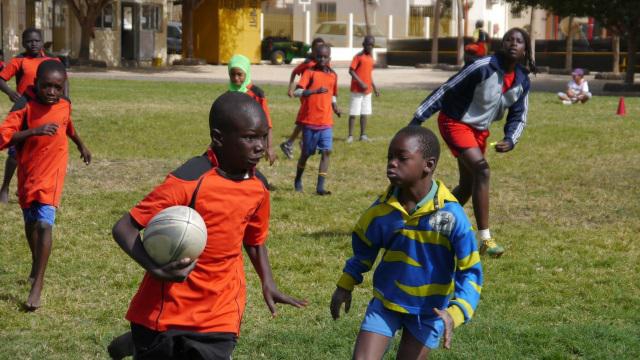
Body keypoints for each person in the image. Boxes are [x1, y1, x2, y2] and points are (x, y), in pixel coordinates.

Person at [110, 92, 307, 359]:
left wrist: (267, 282)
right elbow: (125, 228)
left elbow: (254, 239)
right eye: (249, 137)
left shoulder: (258, 187)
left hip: (220, 312)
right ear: (219, 138)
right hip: (166, 311)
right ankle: (136, 342)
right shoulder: (188, 181)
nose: (260, 146)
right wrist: (156, 268)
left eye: (262, 137)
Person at [330, 126, 483, 359]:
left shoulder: (451, 216)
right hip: (386, 302)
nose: (392, 163)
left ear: (428, 165)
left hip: (430, 311)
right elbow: (363, 250)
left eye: (401, 158)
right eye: (389, 157)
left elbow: (470, 270)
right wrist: (345, 284)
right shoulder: (381, 211)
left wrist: (456, 312)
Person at [409, 27, 536, 258]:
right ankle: (485, 239)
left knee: (468, 184)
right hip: (455, 121)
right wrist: (418, 119)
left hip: (479, 131)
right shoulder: (482, 66)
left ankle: (431, 222)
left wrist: (511, 139)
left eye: (519, 41)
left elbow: (519, 114)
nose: (513, 44)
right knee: (483, 171)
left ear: (526, 49)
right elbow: (447, 88)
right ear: (502, 44)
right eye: (508, 39)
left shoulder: (522, 80)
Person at [0, 60, 91, 311]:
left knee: (44, 223)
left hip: (53, 172)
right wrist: (33, 131)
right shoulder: (24, 105)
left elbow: (67, 124)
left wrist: (80, 144)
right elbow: (4, 137)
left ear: (64, 87)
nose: (52, 92)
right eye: (46, 86)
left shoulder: (64, 104)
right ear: (35, 84)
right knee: (30, 224)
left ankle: (37, 285)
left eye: (57, 87)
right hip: (29, 172)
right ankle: (35, 261)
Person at [0, 28, 66, 204]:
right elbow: (1, 78)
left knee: (39, 152)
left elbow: (64, 81)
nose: (33, 44)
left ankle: (31, 187)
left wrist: (66, 100)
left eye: (37, 41)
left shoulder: (53, 60)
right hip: (25, 111)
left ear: (42, 41)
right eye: (29, 41)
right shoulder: (19, 60)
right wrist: (11, 93)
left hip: (46, 110)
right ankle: (5, 187)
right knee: (15, 153)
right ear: (23, 43)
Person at [292, 44, 341, 195]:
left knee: (327, 151)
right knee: (306, 153)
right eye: (319, 56)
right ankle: (298, 179)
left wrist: (335, 107)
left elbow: (332, 94)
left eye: (325, 57)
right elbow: (297, 92)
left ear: (329, 58)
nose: (322, 59)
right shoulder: (309, 72)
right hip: (310, 121)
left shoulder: (333, 75)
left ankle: (320, 187)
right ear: (315, 57)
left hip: (326, 122)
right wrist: (314, 91)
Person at [280, 37, 326, 159]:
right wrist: (290, 87)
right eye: (317, 48)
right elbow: (294, 72)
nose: (319, 51)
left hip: (316, 97)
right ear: (313, 49)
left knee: (304, 122)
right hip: (307, 97)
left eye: (321, 48)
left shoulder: (322, 61)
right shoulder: (308, 63)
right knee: (306, 121)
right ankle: (294, 143)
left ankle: (294, 143)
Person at [227, 54, 276, 164]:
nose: (236, 78)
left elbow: (267, 122)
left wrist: (269, 147)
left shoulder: (257, 94)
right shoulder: (228, 95)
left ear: (247, 73)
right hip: (234, 141)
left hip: (251, 141)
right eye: (232, 74)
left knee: (248, 166)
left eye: (240, 74)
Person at [347, 35, 380, 143]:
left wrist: (374, 88)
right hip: (357, 90)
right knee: (353, 113)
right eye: (368, 44)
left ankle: (363, 135)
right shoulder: (358, 57)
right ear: (363, 44)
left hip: (367, 92)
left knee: (364, 113)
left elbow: (369, 75)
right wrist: (360, 82)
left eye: (372, 45)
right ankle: (350, 136)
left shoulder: (371, 59)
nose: (370, 46)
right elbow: (351, 71)